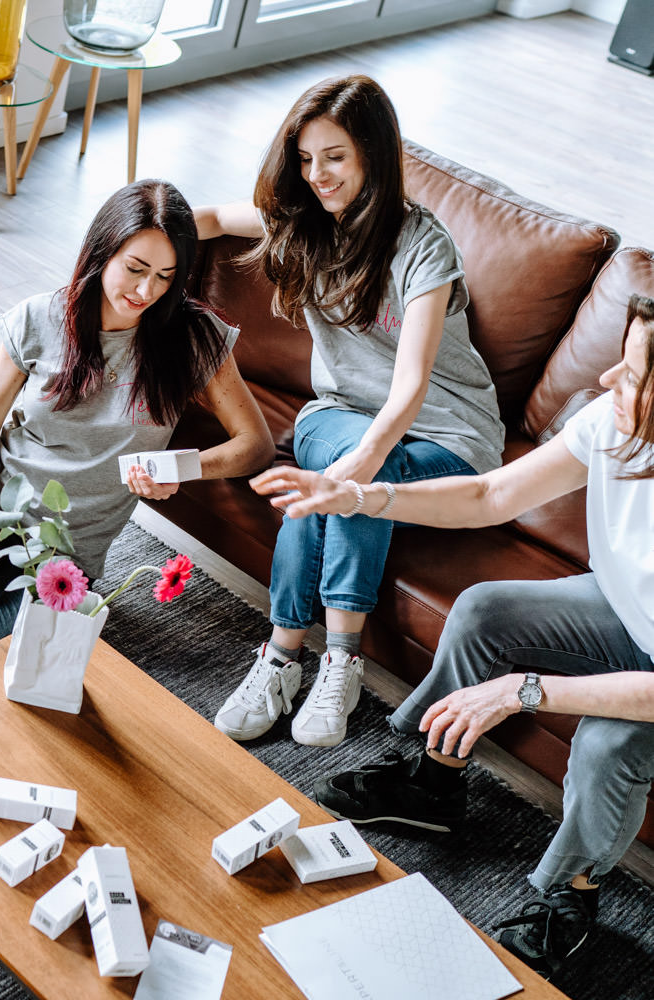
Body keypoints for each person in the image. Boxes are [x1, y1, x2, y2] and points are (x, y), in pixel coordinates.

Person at [252, 295, 654, 979]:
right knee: (483, 611)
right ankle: (432, 788)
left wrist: (525, 691)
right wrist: (358, 496)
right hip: (625, 611)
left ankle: (572, 898)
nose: (610, 378)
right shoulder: (616, 423)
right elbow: (490, 496)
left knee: (608, 744)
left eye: (637, 372)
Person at [0, 179, 274, 673]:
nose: (145, 291)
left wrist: (185, 469)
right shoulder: (40, 318)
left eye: (164, 276)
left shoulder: (194, 337)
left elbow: (255, 445)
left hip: (64, 558)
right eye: (135, 269)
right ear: (101, 251)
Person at [196, 75, 505, 748]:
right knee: (342, 467)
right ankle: (299, 662)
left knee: (345, 478)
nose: (317, 175)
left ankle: (310, 658)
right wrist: (131, 244)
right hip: (334, 414)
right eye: (305, 160)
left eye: (333, 156)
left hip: (447, 435)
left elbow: (410, 388)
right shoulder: (305, 224)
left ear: (371, 151)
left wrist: (352, 475)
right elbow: (214, 220)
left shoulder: (426, 248)